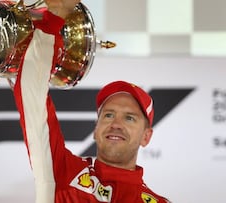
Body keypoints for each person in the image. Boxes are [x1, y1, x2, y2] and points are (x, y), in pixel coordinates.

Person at [12, 0, 170, 202]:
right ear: (96, 129)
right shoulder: (63, 172)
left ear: (146, 137)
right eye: (108, 115)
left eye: (130, 118)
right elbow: (32, 96)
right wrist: (53, 18)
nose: (116, 124)